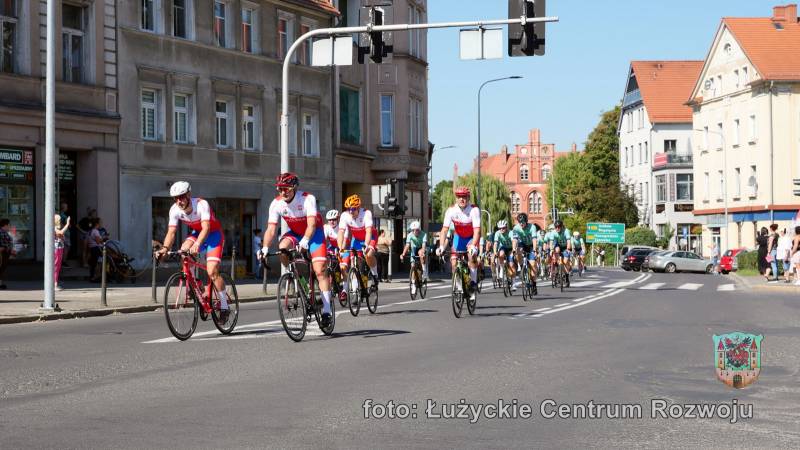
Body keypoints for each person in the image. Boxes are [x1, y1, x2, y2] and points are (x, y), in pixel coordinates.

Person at [258, 173, 332, 326]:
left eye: (286, 189)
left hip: (314, 234)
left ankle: (326, 310)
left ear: (294, 188)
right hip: (295, 234)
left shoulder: (306, 199)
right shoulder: (276, 203)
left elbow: (311, 225)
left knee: (320, 270)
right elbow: (271, 230)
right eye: (280, 189)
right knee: (282, 248)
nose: (283, 192)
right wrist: (264, 248)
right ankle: (294, 274)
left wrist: (305, 241)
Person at [155, 182, 230, 319]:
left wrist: (197, 244)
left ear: (189, 194)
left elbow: (206, 228)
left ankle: (224, 305)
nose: (179, 201)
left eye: (182, 197)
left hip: (213, 234)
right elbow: (171, 232)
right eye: (175, 198)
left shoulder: (201, 204)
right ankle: (197, 286)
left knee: (212, 271)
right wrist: (164, 249)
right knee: (183, 250)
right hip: (197, 233)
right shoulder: (174, 209)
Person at [436, 186, 481, 302]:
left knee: (471, 257)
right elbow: (444, 230)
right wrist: (441, 246)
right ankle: (459, 287)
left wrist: (473, 245)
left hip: (471, 237)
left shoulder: (474, 210)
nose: (462, 199)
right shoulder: (451, 210)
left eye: (464, 197)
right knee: (454, 262)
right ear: (456, 198)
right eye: (459, 197)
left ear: (468, 197)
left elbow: (477, 230)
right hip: (459, 237)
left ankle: (473, 283)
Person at [338, 194, 379, 283]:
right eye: (348, 209)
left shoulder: (366, 213)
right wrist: (340, 248)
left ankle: (375, 274)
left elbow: (368, 232)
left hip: (370, 237)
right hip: (356, 239)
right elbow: (341, 232)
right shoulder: (345, 215)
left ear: (358, 207)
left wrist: (366, 245)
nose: (350, 212)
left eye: (353, 209)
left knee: (368, 255)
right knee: (353, 262)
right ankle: (356, 288)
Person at [511, 213, 538, 291]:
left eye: (523, 222)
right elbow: (515, 239)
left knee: (533, 266)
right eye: (520, 222)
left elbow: (534, 239)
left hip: (531, 245)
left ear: (526, 221)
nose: (521, 224)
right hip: (522, 244)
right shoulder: (516, 228)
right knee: (518, 250)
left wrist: (535, 249)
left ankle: (534, 284)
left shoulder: (532, 227)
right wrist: (513, 249)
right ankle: (522, 265)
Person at [401, 221, 428, 288]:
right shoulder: (410, 235)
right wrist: (403, 253)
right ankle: (413, 283)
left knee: (420, 253)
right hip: (414, 249)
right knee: (412, 266)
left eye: (416, 230)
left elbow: (424, 245)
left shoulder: (423, 234)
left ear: (419, 229)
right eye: (413, 230)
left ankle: (424, 271)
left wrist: (423, 252)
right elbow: (407, 245)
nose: (414, 231)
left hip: (421, 248)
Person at [492, 220, 514, 285]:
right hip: (503, 247)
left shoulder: (511, 232)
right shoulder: (497, 233)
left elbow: (513, 242)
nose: (502, 229)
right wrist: (495, 252)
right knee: (500, 255)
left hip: (510, 248)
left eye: (503, 228)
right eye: (500, 228)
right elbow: (495, 244)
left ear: (506, 227)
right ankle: (502, 268)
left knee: (511, 264)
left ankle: (511, 278)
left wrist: (513, 251)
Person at [54, 214, 71, 290]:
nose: (61, 221)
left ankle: (55, 282)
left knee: (58, 267)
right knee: (55, 266)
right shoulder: (53, 227)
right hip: (56, 249)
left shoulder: (55, 228)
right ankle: (54, 284)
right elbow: (60, 233)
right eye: (59, 220)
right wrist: (67, 224)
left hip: (59, 248)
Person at [0, 218, 16, 289]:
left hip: (6, 252)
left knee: (2, 268)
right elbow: (4, 243)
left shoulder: (5, 232)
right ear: (5, 225)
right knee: (1, 267)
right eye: (9, 225)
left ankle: (0, 283)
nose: (10, 226)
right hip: (2, 253)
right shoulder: (1, 232)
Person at [59, 202, 71, 267]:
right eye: (66, 207)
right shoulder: (63, 216)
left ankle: (63, 261)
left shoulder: (60, 215)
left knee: (65, 247)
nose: (67, 208)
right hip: (65, 234)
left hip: (64, 233)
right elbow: (68, 225)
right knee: (66, 247)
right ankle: (64, 261)